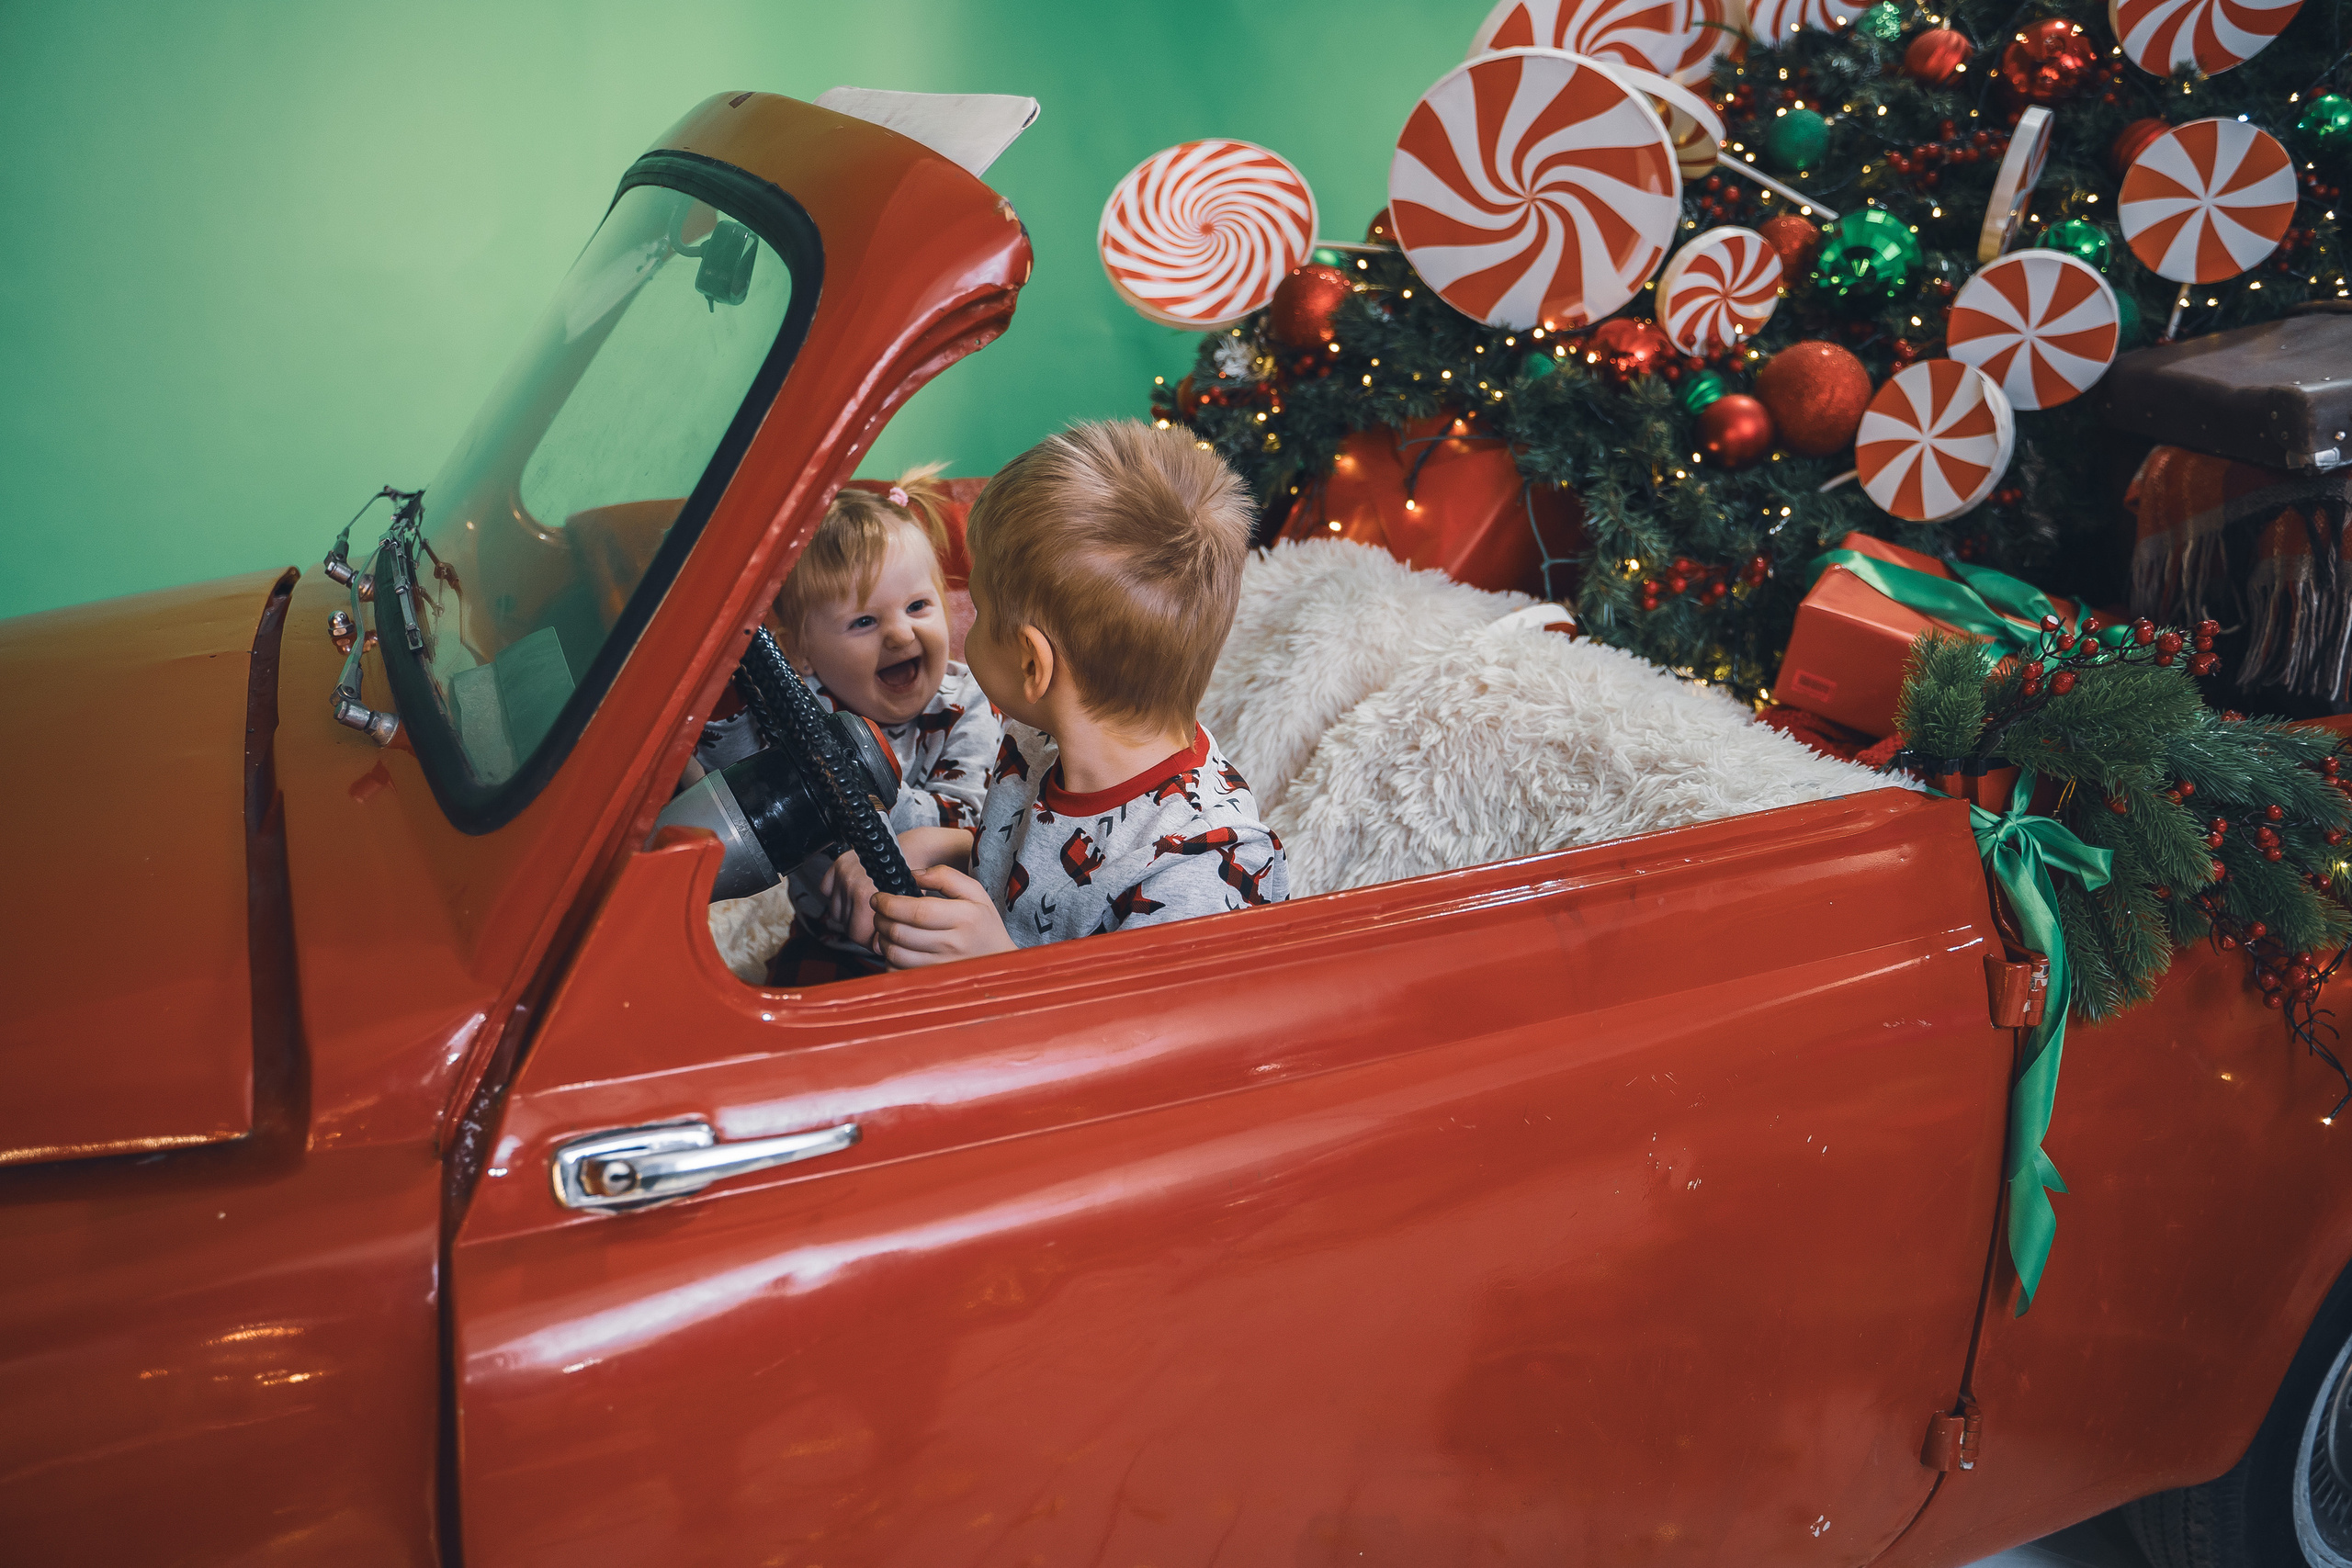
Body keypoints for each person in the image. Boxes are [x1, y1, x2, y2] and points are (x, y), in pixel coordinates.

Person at [832, 420, 1288, 968]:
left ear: (1031, 664)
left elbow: (1148, 1045)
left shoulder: (1201, 868)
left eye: (976, 611)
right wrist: (949, 847)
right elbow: (1044, 868)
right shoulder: (1037, 741)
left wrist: (996, 966)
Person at [697, 469, 1001, 972]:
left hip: (940, 952)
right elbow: (735, 785)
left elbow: (965, 826)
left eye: (918, 606)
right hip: (824, 938)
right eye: (864, 621)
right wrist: (724, 701)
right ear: (801, 653)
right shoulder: (798, 709)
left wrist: (854, 769)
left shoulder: (967, 700)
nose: (901, 633)